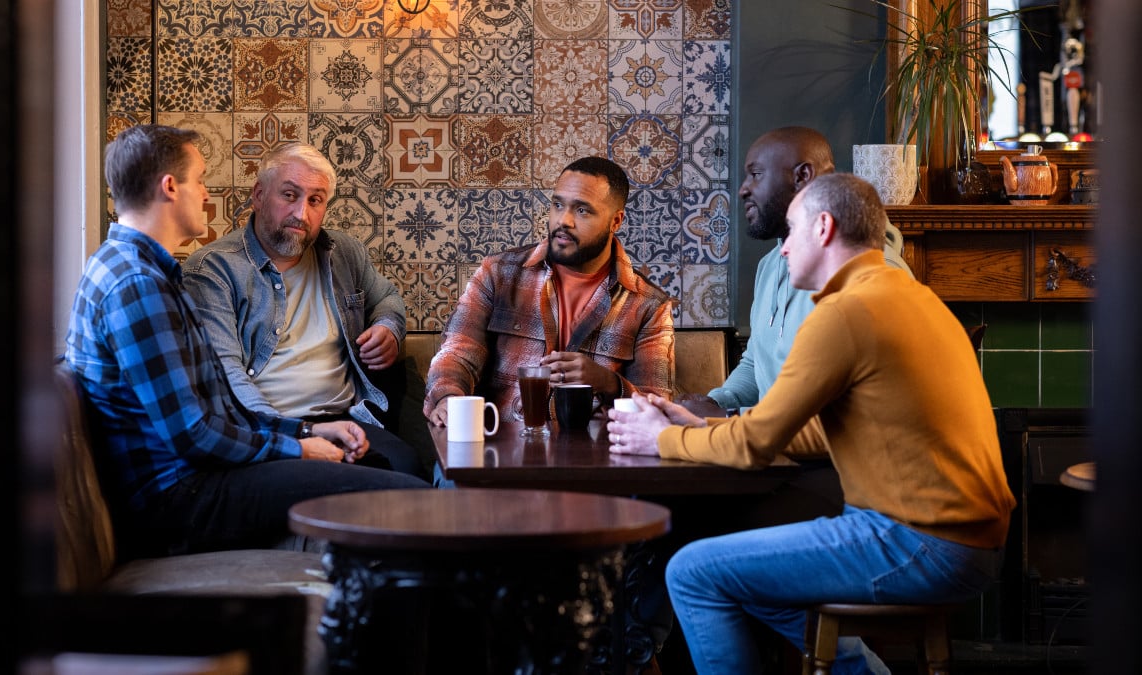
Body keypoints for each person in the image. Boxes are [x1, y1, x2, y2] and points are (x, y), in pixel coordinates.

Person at [607, 173, 1016, 674]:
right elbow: (820, 430)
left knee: (693, 571)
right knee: (744, 574)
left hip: (920, 543)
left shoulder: (845, 312)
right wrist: (697, 428)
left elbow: (757, 446)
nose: (782, 250)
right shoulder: (907, 295)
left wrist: (663, 439)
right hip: (971, 541)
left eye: (792, 231)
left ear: (824, 228)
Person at [64, 125, 429, 561]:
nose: (205, 194)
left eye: (315, 200)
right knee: (412, 502)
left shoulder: (132, 267)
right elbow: (195, 434)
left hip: (199, 478)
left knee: (404, 479)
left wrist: (308, 430)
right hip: (181, 501)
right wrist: (298, 447)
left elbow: (212, 409)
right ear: (169, 187)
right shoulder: (139, 283)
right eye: (199, 180)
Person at [183, 141, 430, 481]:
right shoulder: (213, 270)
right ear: (258, 195)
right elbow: (225, 372)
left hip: (348, 418)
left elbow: (387, 297)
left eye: (315, 200)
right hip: (269, 427)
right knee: (384, 489)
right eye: (289, 195)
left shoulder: (343, 252)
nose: (302, 213)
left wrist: (388, 326)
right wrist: (297, 434)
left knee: (410, 469)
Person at [679, 126, 913, 421]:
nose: (743, 189)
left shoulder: (874, 282)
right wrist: (712, 405)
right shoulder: (770, 265)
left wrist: (726, 418)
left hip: (823, 461)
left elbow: (836, 422)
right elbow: (756, 364)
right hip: (776, 449)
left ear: (802, 176)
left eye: (756, 174)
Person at [424, 155, 675, 426]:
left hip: (593, 458)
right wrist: (447, 397)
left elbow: (656, 408)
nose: (563, 220)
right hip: (499, 444)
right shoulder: (499, 273)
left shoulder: (648, 304)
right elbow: (458, 350)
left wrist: (608, 383)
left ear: (615, 222)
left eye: (582, 210)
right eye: (558, 205)